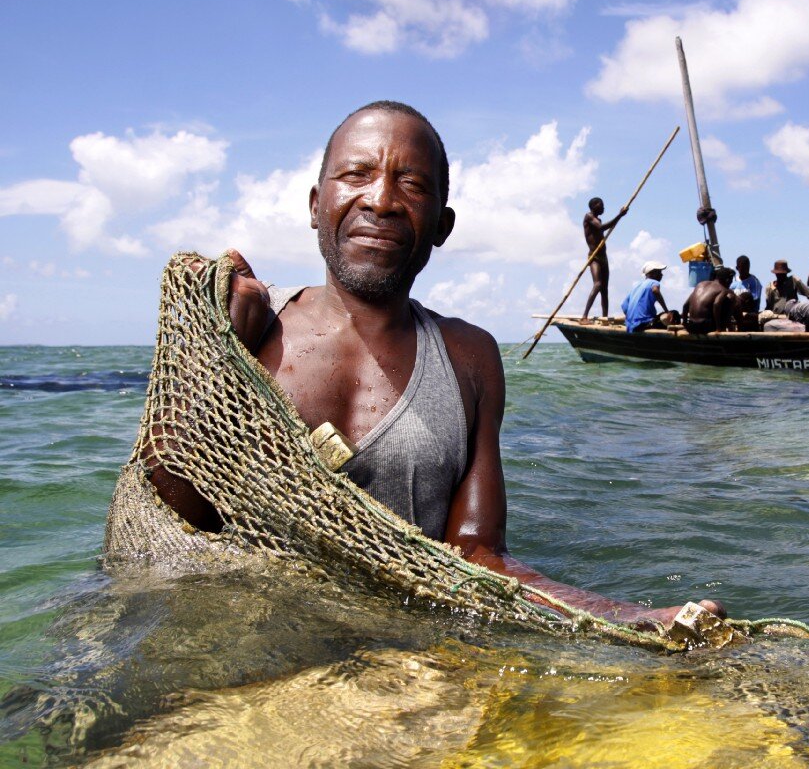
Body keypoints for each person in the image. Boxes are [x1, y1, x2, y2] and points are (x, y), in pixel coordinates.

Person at [138, 101, 719, 627]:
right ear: (317, 206)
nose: (382, 200)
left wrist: (619, 617)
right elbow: (166, 529)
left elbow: (476, 554)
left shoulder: (470, 358)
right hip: (243, 643)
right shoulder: (246, 324)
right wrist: (209, 362)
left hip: (404, 656)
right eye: (356, 175)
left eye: (411, 184)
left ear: (442, 225)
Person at [581, 197, 627, 321]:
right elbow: (602, 228)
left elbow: (604, 226)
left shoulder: (599, 220)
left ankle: (605, 318)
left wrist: (620, 216)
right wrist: (619, 215)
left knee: (604, 290)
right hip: (594, 257)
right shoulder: (588, 217)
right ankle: (584, 316)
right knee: (598, 284)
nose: (603, 208)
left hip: (603, 258)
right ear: (594, 206)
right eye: (601, 205)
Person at [621, 260, 676, 333]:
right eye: (659, 272)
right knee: (675, 313)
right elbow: (655, 291)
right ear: (653, 274)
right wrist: (667, 311)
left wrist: (630, 318)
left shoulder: (637, 286)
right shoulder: (654, 282)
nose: (661, 275)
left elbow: (623, 305)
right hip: (644, 323)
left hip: (630, 325)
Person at [682, 266, 738, 335]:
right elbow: (716, 304)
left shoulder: (700, 284)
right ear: (727, 280)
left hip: (691, 326)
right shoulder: (723, 289)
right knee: (731, 297)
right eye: (731, 281)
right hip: (704, 327)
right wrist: (718, 328)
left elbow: (685, 305)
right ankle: (726, 328)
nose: (730, 284)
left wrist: (685, 324)